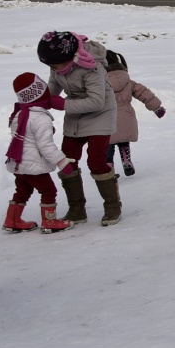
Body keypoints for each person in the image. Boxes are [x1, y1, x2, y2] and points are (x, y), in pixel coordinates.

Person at [37, 30, 122, 226]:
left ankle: (112, 205)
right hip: (76, 115)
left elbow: (96, 102)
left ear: (70, 58)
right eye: (49, 66)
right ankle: (77, 209)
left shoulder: (93, 69)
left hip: (100, 114)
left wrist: (62, 105)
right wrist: (35, 103)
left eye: (55, 65)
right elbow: (52, 87)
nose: (53, 69)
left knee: (96, 161)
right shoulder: (57, 66)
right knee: (67, 162)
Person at [2, 72, 76, 235]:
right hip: (33, 165)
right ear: (39, 94)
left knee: (22, 191)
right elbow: (46, 146)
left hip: (18, 163)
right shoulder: (40, 118)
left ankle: (12, 220)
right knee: (48, 191)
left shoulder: (19, 113)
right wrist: (62, 162)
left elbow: (26, 138)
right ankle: (49, 221)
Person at [103, 49, 165, 176]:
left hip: (106, 119)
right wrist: (156, 107)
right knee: (123, 140)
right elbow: (142, 92)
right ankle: (126, 160)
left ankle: (108, 165)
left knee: (107, 144)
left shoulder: (99, 82)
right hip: (126, 116)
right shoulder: (126, 80)